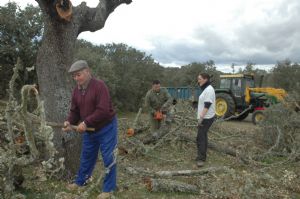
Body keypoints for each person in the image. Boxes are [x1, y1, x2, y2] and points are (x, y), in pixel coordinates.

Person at [62, 60, 117, 199]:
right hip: (89, 130)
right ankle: (81, 182)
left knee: (108, 157)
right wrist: (70, 122)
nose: (76, 78)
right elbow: (74, 111)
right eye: (74, 76)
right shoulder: (76, 91)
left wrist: (86, 122)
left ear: (87, 71)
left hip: (106, 127)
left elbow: (103, 110)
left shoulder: (100, 86)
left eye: (78, 75)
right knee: (87, 156)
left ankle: (108, 189)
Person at [196, 73, 215, 167]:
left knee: (201, 138)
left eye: (200, 79)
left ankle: (201, 159)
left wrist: (201, 118)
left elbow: (207, 105)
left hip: (206, 118)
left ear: (205, 79)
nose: (198, 81)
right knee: (202, 136)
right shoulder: (206, 89)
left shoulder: (209, 90)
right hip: (205, 117)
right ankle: (201, 156)